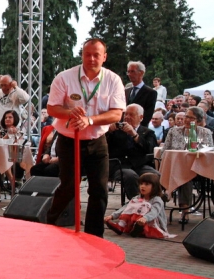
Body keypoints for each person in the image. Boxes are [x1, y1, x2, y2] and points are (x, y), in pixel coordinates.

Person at [45, 38, 125, 237]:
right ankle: (50, 224)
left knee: (99, 190)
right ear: (82, 55)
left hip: (97, 141)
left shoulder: (113, 80)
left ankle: (94, 237)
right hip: (69, 140)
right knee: (69, 187)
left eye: (96, 55)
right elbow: (52, 108)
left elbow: (117, 114)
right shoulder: (65, 77)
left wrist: (90, 120)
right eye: (87, 54)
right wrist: (69, 113)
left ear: (104, 57)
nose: (91, 59)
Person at [162, 106, 214, 222]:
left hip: (199, 168)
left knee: (185, 174)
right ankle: (185, 210)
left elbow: (209, 152)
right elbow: (164, 151)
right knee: (183, 173)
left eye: (191, 118)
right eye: (186, 116)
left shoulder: (205, 132)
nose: (187, 120)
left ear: (198, 121)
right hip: (176, 167)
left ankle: (168, 191)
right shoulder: (173, 131)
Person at [106, 103, 159, 200]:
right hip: (119, 165)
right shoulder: (116, 130)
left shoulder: (147, 132)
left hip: (139, 165)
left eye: (131, 115)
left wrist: (135, 135)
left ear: (141, 117)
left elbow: (150, 149)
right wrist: (108, 131)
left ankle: (154, 201)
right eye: (126, 114)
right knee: (130, 176)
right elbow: (104, 145)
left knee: (156, 175)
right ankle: (137, 202)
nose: (127, 117)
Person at [104, 173, 172, 238]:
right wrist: (112, 216)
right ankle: (121, 225)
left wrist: (145, 218)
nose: (142, 186)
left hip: (154, 225)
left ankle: (139, 229)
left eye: (146, 184)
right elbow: (125, 207)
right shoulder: (137, 198)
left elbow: (154, 212)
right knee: (133, 204)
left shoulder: (157, 200)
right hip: (138, 221)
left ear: (154, 187)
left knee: (145, 205)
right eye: (141, 184)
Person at [125, 61, 156, 127]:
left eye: (132, 71)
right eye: (128, 72)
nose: (129, 74)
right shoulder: (126, 91)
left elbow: (147, 115)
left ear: (141, 73)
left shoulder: (150, 93)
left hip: (139, 130)